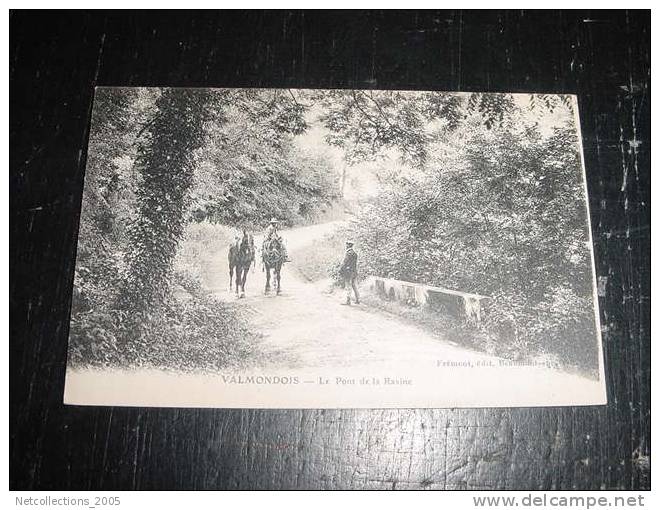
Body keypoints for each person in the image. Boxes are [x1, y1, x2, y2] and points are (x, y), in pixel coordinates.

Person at [340, 240, 360, 305]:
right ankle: (358, 299)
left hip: (348, 272)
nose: (346, 246)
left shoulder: (348, 253)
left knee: (348, 286)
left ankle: (348, 301)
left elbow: (345, 263)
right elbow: (353, 264)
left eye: (347, 245)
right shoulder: (354, 253)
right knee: (354, 285)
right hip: (354, 272)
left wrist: (341, 269)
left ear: (348, 245)